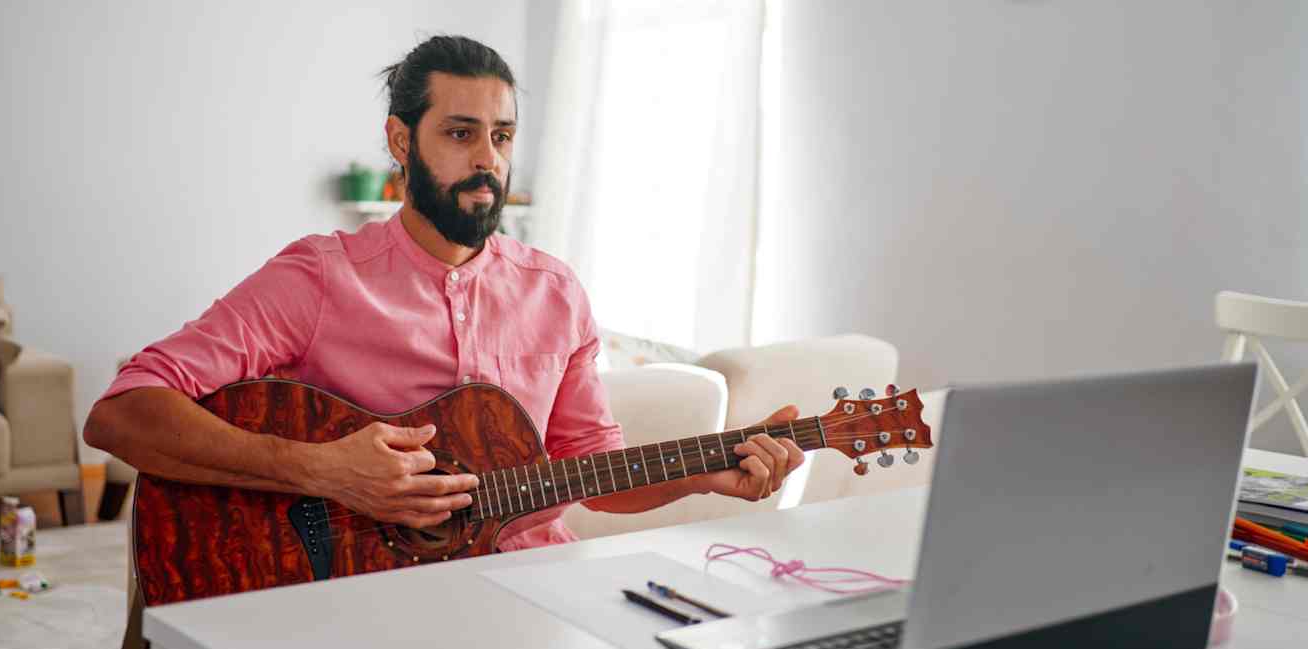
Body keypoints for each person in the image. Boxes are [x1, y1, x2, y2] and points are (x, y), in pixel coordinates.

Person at [82, 35, 804, 551]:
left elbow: (594, 473)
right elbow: (122, 415)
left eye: (502, 135)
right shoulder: (319, 276)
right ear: (400, 141)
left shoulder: (556, 293)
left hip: (526, 583)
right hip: (352, 589)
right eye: (461, 133)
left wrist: (699, 476)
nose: (488, 158)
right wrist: (323, 471)